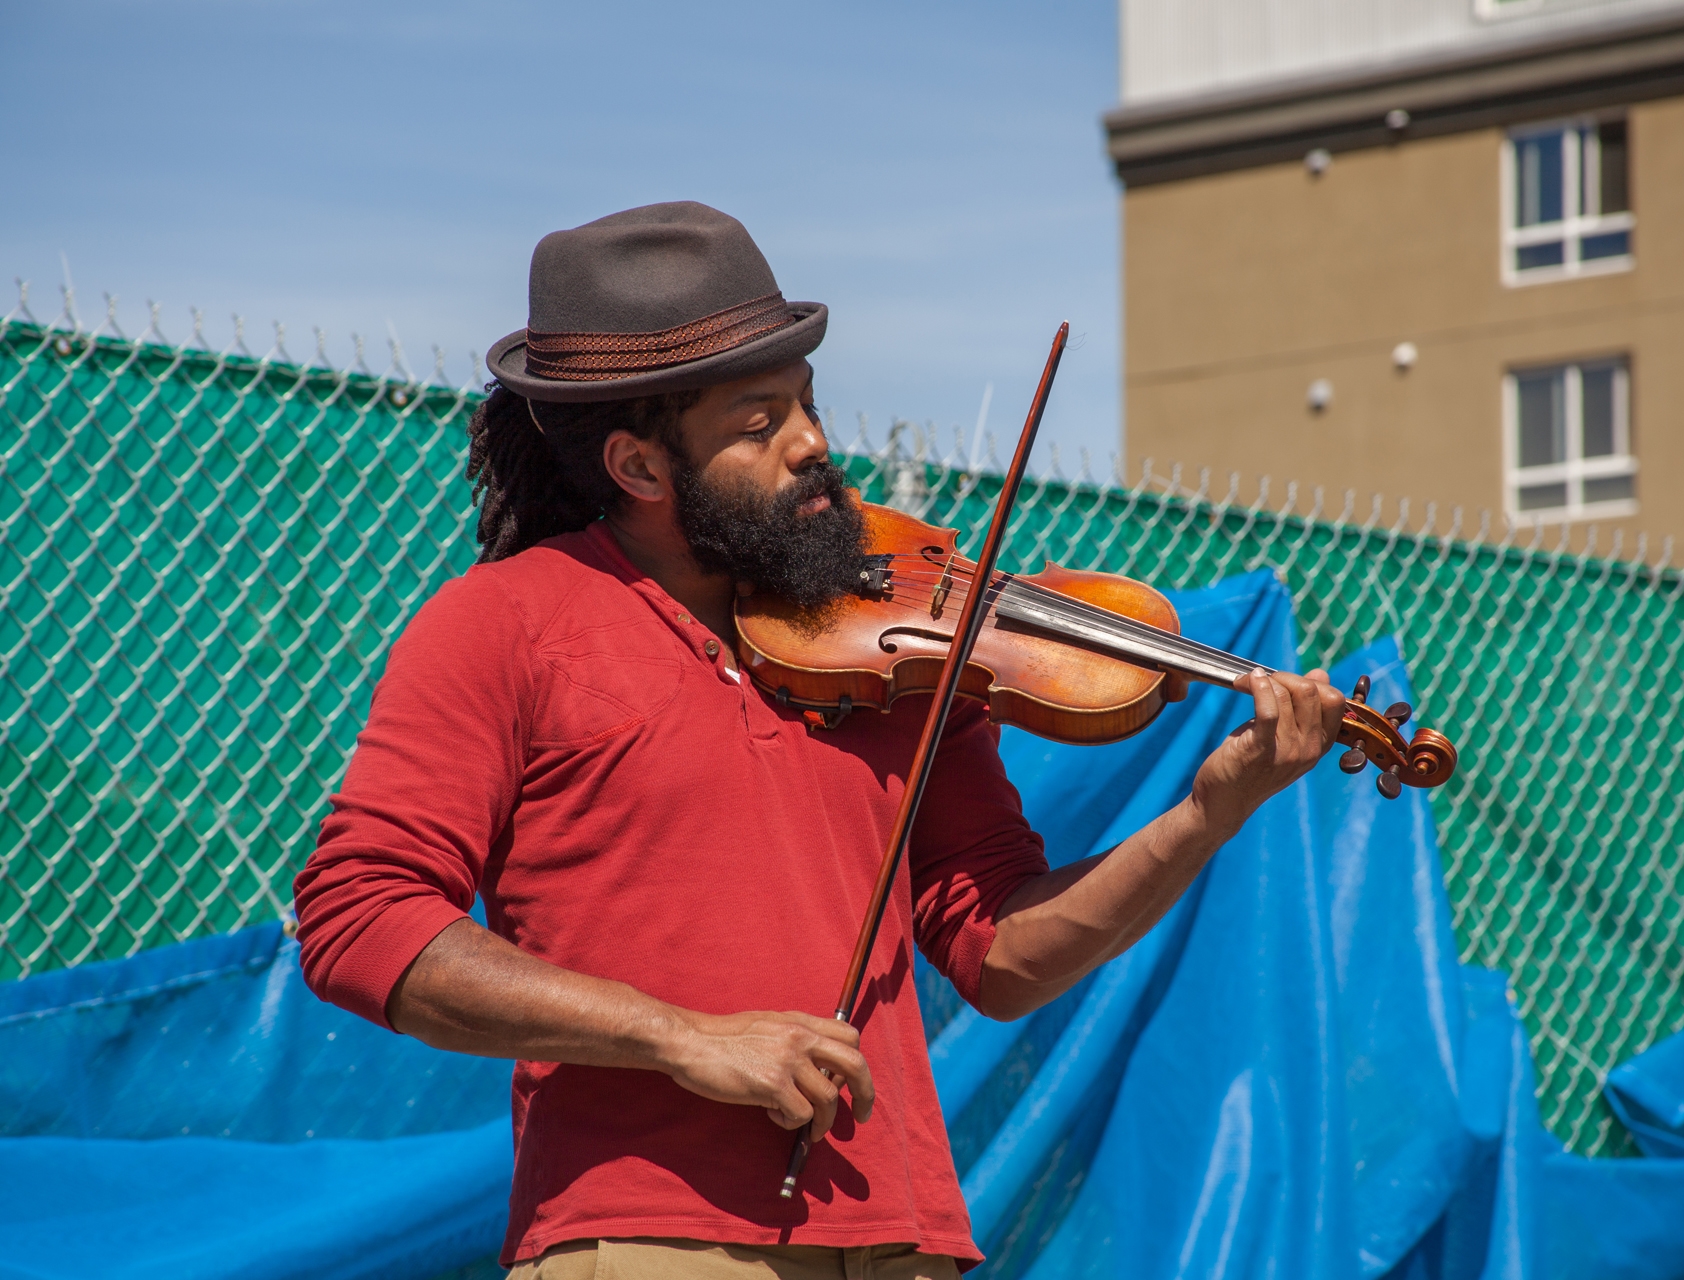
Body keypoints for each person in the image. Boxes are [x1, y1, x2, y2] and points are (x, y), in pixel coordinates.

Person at [293, 202, 1346, 1280]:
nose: (815, 447)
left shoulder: (893, 658)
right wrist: (684, 1036)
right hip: (655, 1239)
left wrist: (1212, 810)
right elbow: (358, 913)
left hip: (908, 1241)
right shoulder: (504, 622)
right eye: (758, 424)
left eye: (805, 405)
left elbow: (1003, 952)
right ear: (640, 466)